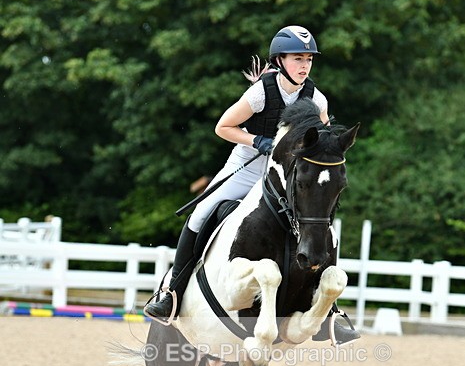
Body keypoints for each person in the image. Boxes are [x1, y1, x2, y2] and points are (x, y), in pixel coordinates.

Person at [145, 25, 359, 344]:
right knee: (201, 213)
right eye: (297, 58)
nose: (304, 65)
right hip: (247, 166)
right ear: (280, 60)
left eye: (309, 59)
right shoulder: (261, 92)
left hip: (286, 173)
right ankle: (172, 294)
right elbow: (223, 126)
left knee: (326, 229)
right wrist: (256, 139)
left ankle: (330, 311)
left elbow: (323, 141)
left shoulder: (316, 98)